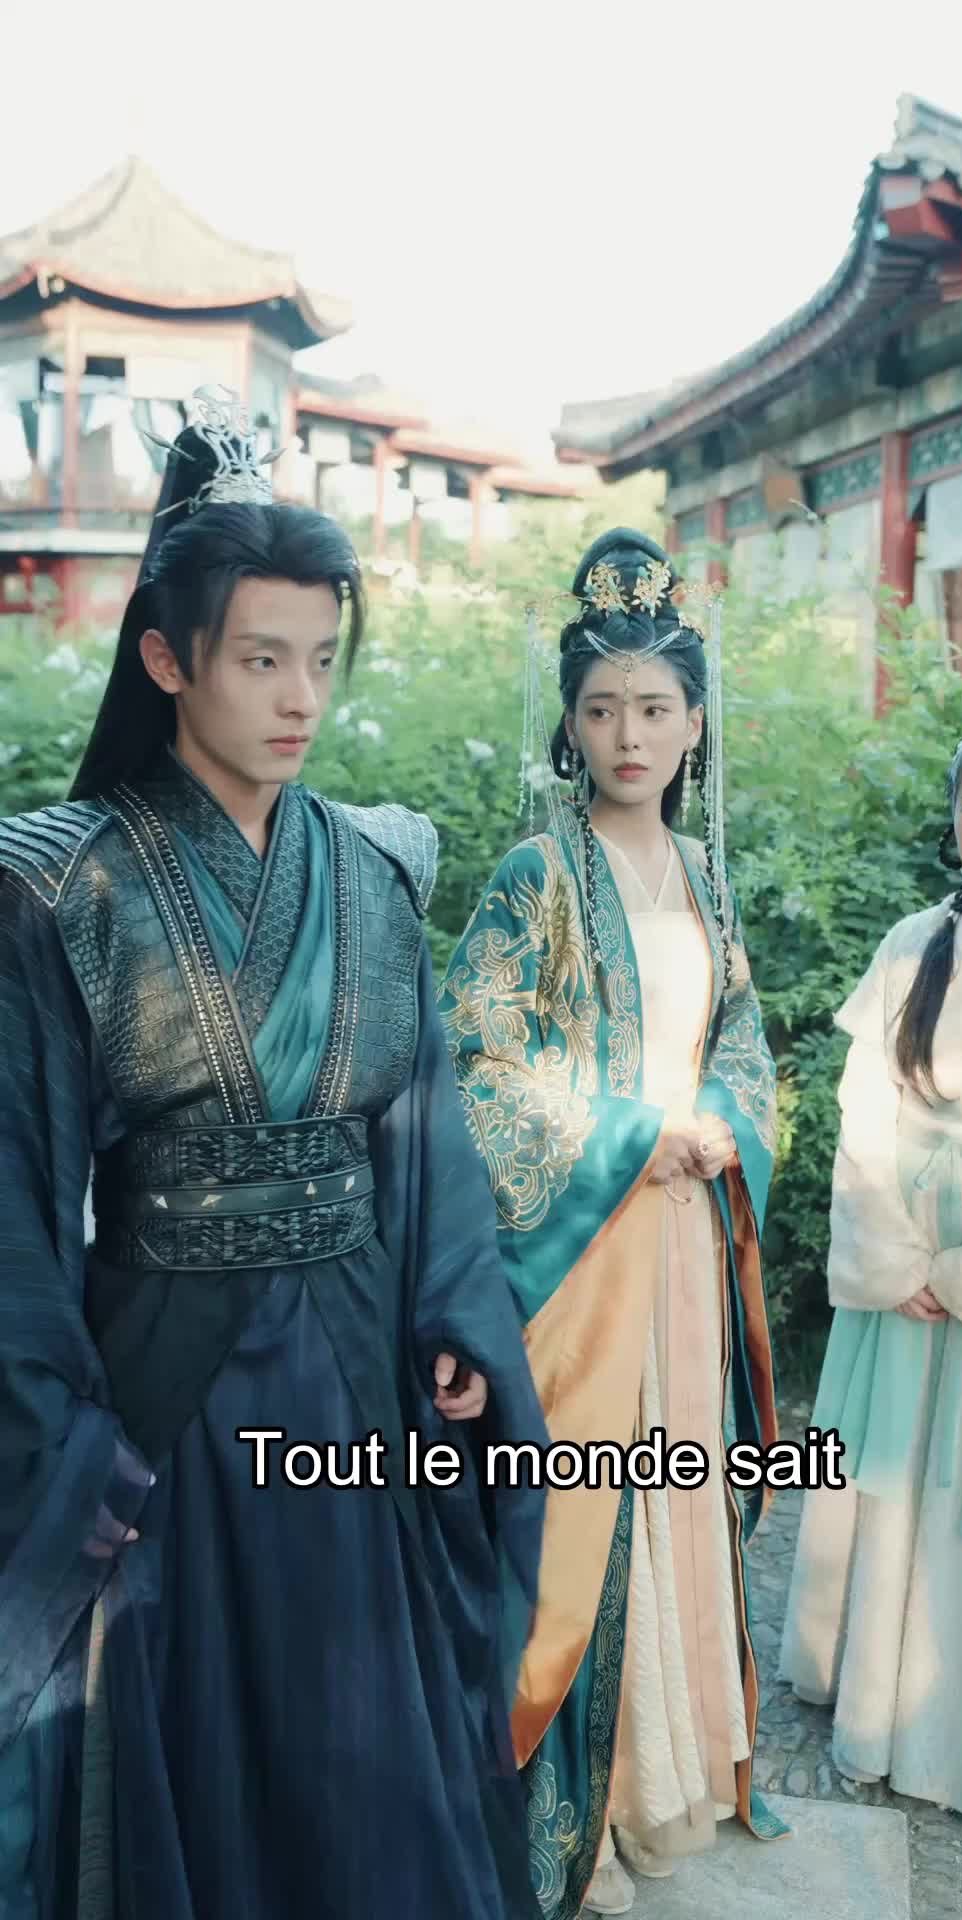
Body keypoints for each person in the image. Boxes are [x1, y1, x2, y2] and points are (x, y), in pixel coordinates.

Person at [0, 389, 547, 1920]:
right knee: (191, 1742)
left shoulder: (374, 871)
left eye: (320, 657)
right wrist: (62, 1442)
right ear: (167, 660)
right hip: (166, 1396)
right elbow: (16, 1195)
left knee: (367, 1751)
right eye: (259, 659)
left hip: (360, 1374)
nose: (299, 697)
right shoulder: (62, 888)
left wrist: (457, 1322)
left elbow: (421, 1125)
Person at [438, 529, 785, 1918]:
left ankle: (668, 1783)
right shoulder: (537, 873)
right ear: (569, 726)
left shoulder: (706, 878)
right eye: (601, 708)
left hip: (687, 1237)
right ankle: (567, 1822)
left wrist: (727, 1120)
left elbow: (742, 1035)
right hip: (586, 1247)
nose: (627, 736)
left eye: (653, 707)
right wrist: (637, 1134)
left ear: (696, 723)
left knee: (680, 1497)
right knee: (585, 1513)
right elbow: (477, 1058)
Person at [779, 708, 962, 1826]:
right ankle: (868, 1690)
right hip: (902, 1247)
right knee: (888, 1471)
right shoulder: (914, 941)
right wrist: (895, 1252)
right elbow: (863, 1108)